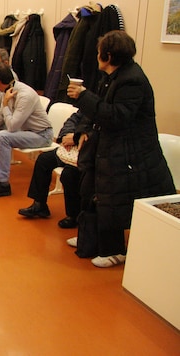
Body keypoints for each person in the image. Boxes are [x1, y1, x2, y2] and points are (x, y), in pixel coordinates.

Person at [66, 30, 175, 267]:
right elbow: (98, 108)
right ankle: (91, 238)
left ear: (108, 55)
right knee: (92, 191)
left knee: (112, 199)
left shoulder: (131, 80)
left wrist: (83, 96)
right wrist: (83, 128)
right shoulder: (112, 75)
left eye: (99, 52)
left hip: (131, 154)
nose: (96, 56)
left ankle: (116, 250)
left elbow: (116, 116)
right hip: (111, 147)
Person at [0, 62, 53, 198]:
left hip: (41, 135)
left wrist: (6, 104)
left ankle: (2, 183)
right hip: (26, 130)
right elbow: (1, 115)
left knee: (2, 137)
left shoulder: (25, 95)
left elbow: (12, 126)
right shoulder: (5, 90)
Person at [17, 111, 83, 228]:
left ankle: (73, 215)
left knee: (69, 174)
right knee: (44, 160)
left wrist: (76, 138)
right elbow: (72, 120)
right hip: (70, 149)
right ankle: (39, 204)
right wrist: (67, 135)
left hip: (85, 153)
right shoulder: (86, 107)